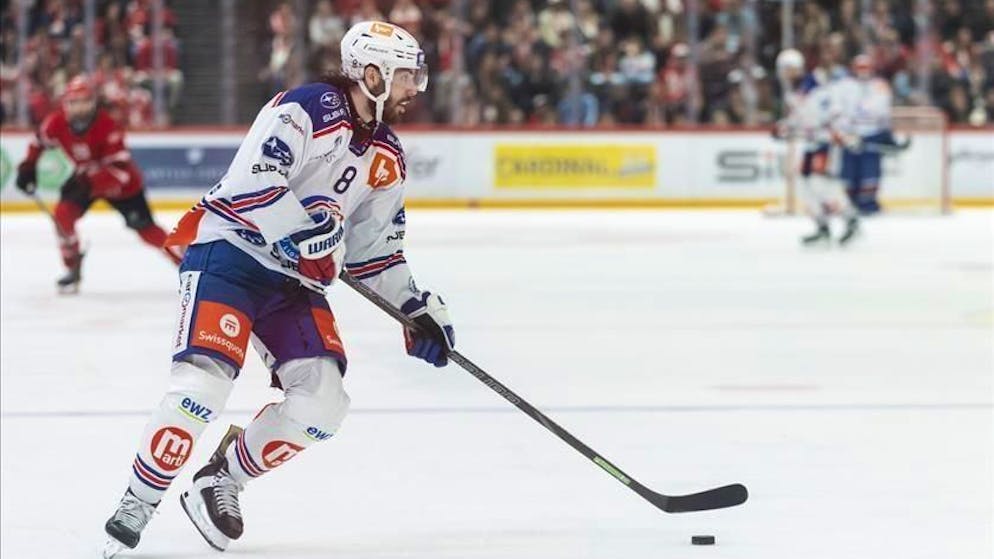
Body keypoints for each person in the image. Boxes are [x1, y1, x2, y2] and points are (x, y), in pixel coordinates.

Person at [101, 21, 454, 557]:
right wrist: (300, 231)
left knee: (323, 403)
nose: (414, 89)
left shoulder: (388, 155)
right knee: (201, 389)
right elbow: (254, 179)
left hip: (291, 286)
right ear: (373, 74)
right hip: (231, 257)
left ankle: (221, 479)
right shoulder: (307, 108)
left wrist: (414, 310)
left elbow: (374, 251)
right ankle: (137, 503)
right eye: (406, 76)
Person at [15, 75, 182, 292]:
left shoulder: (108, 126)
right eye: (74, 102)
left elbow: (119, 171)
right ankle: (72, 267)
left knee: (148, 231)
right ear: (66, 104)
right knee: (63, 216)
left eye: (85, 101)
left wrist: (90, 183)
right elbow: (38, 141)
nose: (80, 107)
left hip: (122, 187)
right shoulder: (56, 123)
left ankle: (188, 264)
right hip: (87, 179)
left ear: (93, 102)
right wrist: (28, 167)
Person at [772, 48, 859, 245]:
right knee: (804, 185)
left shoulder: (816, 87)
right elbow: (798, 118)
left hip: (824, 142)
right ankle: (822, 225)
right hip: (812, 143)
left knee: (820, 183)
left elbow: (834, 111)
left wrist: (840, 132)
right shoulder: (793, 91)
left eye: (788, 69)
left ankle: (850, 217)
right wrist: (784, 127)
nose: (785, 74)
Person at [831, 54, 895, 215]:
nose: (863, 71)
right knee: (849, 171)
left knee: (871, 170)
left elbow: (882, 109)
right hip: (849, 135)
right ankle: (850, 203)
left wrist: (886, 132)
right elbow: (837, 109)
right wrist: (842, 131)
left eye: (866, 68)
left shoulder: (880, 85)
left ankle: (868, 203)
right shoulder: (843, 85)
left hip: (872, 133)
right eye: (860, 68)